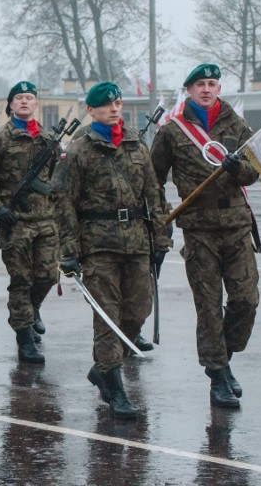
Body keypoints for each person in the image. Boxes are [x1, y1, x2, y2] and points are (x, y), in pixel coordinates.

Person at [54, 81, 168, 419]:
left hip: (136, 241)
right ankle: (115, 385)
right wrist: (70, 251)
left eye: (117, 103)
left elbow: (154, 193)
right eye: (106, 105)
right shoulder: (79, 150)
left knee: (138, 310)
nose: (114, 109)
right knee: (107, 315)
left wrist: (160, 238)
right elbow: (63, 202)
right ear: (91, 111)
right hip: (97, 243)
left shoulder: (136, 143)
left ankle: (103, 369)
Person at [150, 63, 260, 409]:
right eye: (200, 84)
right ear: (189, 90)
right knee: (209, 306)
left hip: (237, 224)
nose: (207, 89)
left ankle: (224, 356)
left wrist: (236, 167)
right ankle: (217, 374)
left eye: (212, 84)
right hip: (198, 229)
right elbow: (154, 179)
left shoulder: (236, 124)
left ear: (219, 89)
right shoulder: (172, 131)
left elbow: (254, 172)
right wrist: (161, 217)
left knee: (246, 300)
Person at [0, 81, 61, 364]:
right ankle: (24, 337)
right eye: (18, 98)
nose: (24, 101)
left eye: (29, 98)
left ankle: (31, 313)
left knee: (47, 276)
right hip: (16, 221)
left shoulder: (48, 140)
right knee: (21, 279)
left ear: (36, 104)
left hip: (46, 221)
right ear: (10, 105)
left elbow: (57, 179)